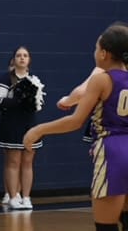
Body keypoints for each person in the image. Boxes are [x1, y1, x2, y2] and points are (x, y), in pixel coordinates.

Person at [24, 23, 128, 231]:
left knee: (105, 226)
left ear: (104, 54)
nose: (95, 52)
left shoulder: (101, 79)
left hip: (112, 152)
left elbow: (76, 121)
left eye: (96, 48)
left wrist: (38, 130)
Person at [0, 46, 45, 210]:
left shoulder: (34, 80)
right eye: (18, 55)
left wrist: (32, 101)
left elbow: (38, 104)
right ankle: (13, 196)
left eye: (25, 55)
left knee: (28, 162)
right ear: (13, 59)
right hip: (11, 125)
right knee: (13, 161)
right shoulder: (6, 79)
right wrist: (19, 99)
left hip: (29, 125)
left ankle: (26, 197)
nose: (22, 58)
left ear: (29, 60)